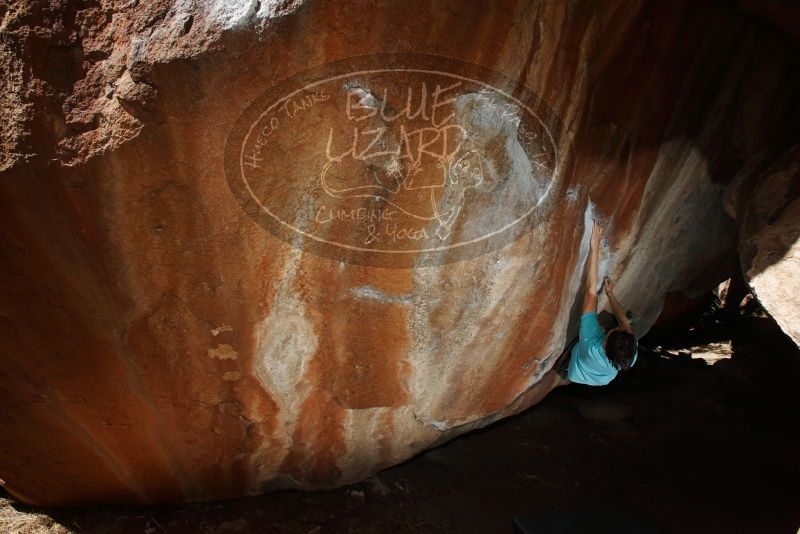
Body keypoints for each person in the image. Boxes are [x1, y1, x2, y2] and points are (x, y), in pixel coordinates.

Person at [555, 221, 638, 386]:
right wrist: (610, 293)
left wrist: (595, 247)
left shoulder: (592, 344)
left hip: (578, 370)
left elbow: (591, 291)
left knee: (575, 349)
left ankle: (565, 367)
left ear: (605, 345)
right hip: (604, 378)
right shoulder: (630, 354)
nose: (617, 328)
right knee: (627, 319)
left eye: (610, 332)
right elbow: (624, 325)